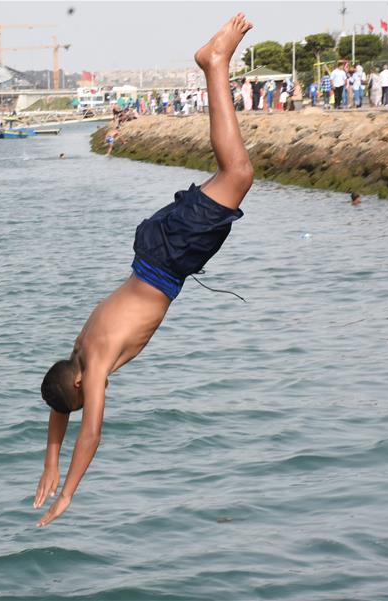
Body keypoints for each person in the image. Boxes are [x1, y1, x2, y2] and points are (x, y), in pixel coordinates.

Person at [34, 12, 256, 528]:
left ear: (83, 385)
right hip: (156, 251)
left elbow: (90, 433)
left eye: (86, 398)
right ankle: (215, 65)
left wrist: (68, 492)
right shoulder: (80, 350)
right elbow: (59, 403)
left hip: (169, 260)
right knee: (235, 175)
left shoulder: (99, 361)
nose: (91, 400)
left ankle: (213, 64)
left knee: (238, 174)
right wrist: (49, 458)